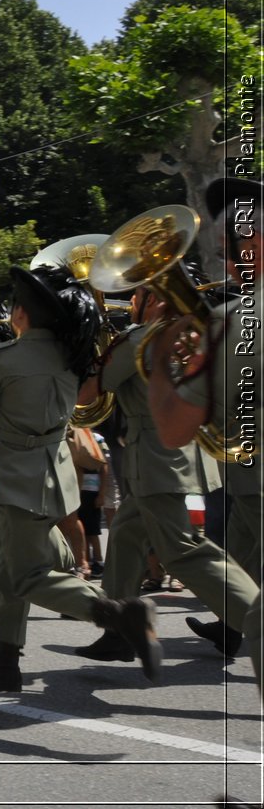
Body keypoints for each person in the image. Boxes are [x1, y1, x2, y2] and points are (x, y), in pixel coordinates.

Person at [0, 264, 160, 693]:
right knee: (17, 565)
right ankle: (5, 660)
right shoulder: (73, 357)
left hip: (18, 476)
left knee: (22, 577)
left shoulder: (2, 359)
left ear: (21, 314)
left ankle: (113, 612)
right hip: (58, 472)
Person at [74, 273, 258, 664]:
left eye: (137, 293)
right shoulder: (197, 332)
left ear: (150, 299)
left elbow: (88, 393)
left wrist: (89, 351)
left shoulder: (141, 339)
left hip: (155, 458)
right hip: (183, 454)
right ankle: (118, 629)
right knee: (124, 534)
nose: (130, 300)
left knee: (184, 551)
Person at [147, 177, 263, 691]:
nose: (227, 268)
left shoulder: (233, 323)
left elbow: (174, 430)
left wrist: (158, 361)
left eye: (229, 253)